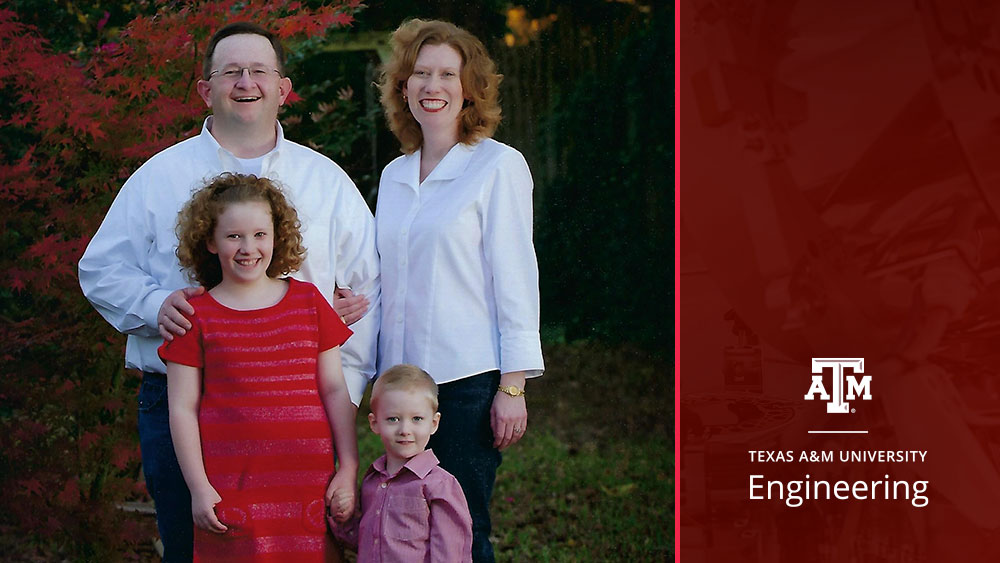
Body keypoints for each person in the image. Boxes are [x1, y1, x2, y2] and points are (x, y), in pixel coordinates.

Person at [77, 22, 379, 561]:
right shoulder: (159, 176)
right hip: (182, 407)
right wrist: (152, 305)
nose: (246, 82)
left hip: (299, 418)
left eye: (260, 70)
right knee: (193, 550)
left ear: (283, 89)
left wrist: (343, 401)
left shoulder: (325, 180)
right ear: (205, 89)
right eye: (231, 71)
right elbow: (100, 269)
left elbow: (366, 291)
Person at [375, 19, 544, 561]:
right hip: (403, 392)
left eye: (448, 73)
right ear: (403, 86)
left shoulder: (497, 166)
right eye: (420, 73)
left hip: (466, 383)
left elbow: (515, 277)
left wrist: (512, 386)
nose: (433, 85)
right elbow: (383, 281)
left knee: (462, 532)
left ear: (469, 88)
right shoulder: (394, 176)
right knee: (404, 530)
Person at [159, 173, 358, 560]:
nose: (248, 247)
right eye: (233, 236)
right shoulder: (195, 315)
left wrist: (348, 466)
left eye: (259, 234)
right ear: (210, 241)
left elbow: (334, 388)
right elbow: (182, 408)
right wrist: (199, 487)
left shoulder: (308, 301)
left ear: (276, 236)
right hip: (232, 486)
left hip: (306, 484)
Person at [329, 364, 473, 562]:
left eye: (417, 419)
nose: (405, 429)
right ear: (375, 423)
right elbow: (365, 542)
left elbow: (450, 552)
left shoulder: (440, 485)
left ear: (434, 423)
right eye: (393, 419)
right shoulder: (372, 481)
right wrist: (343, 521)